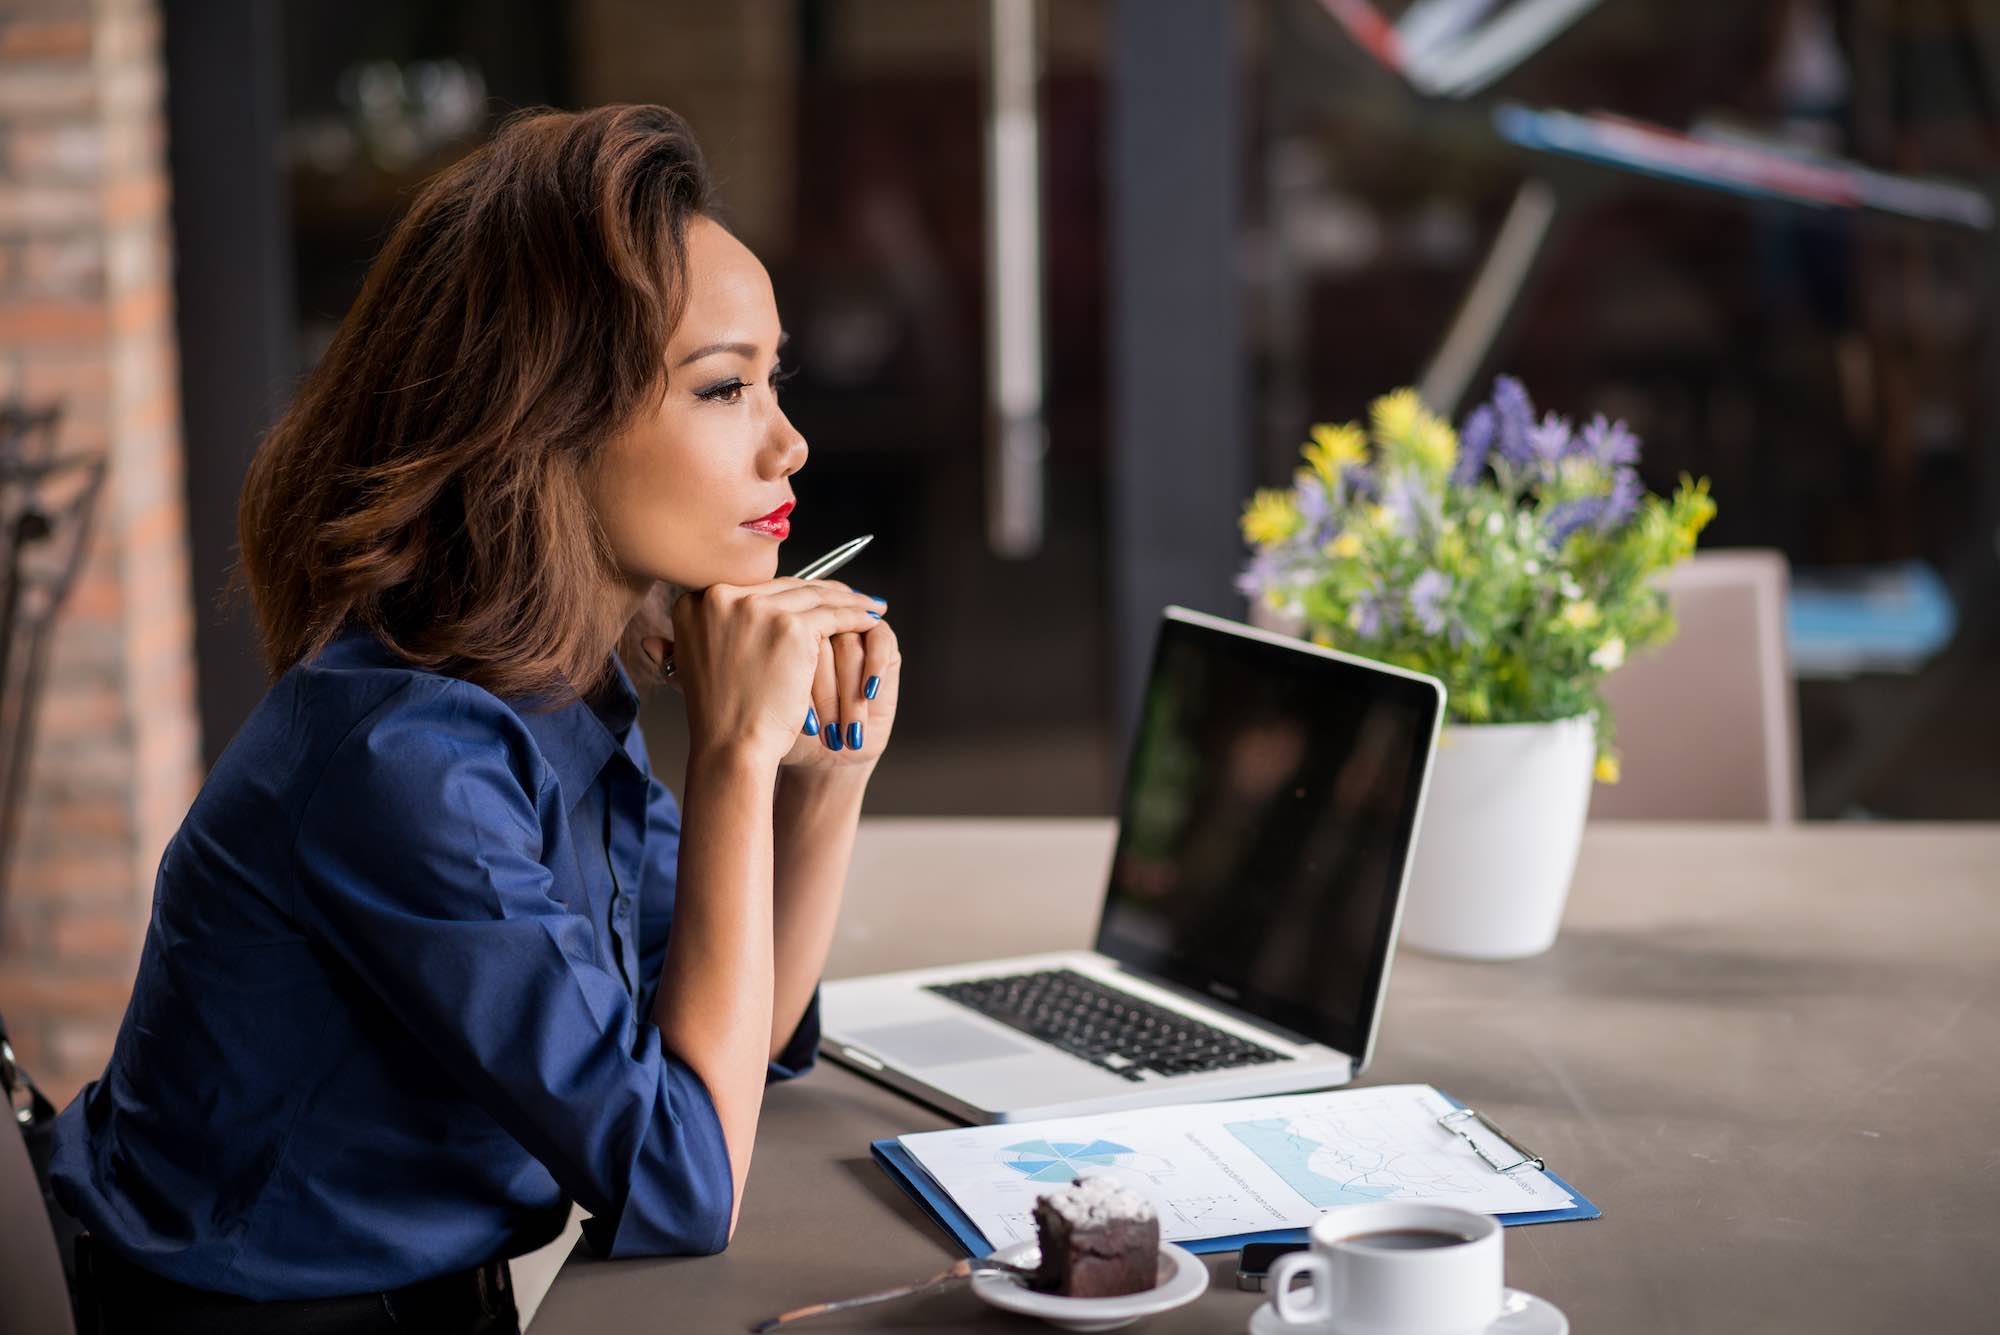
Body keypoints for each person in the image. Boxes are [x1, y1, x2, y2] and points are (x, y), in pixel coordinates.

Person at [48, 104, 898, 1334]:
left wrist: (825, 779)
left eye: (775, 381)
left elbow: (730, 1049)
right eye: (724, 390)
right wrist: (730, 754)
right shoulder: (406, 758)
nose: (788, 442)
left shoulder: (551, 688)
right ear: (549, 418)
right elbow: (685, 1176)